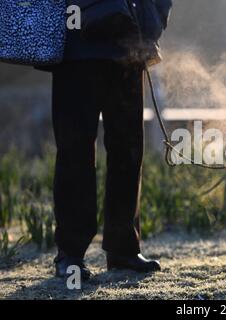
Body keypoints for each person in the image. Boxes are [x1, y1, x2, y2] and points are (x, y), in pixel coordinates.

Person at [51, 0, 173, 281]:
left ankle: (123, 249)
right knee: (75, 152)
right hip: (75, 48)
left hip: (128, 45)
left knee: (128, 150)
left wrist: (151, 23)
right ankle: (70, 253)